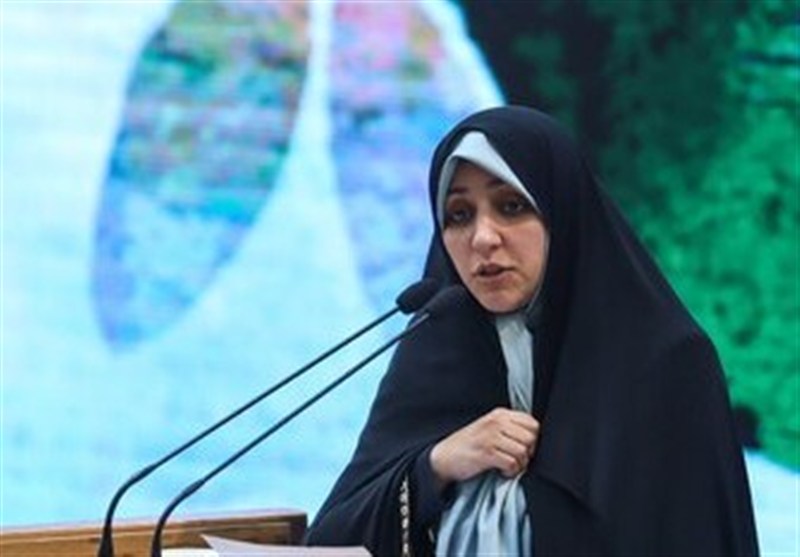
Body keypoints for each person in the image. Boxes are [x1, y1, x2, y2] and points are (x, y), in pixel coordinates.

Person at [304, 106, 759, 556]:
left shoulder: (667, 364)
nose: (483, 238)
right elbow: (332, 540)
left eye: (511, 206)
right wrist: (436, 465)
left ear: (562, 212)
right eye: (459, 215)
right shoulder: (435, 348)